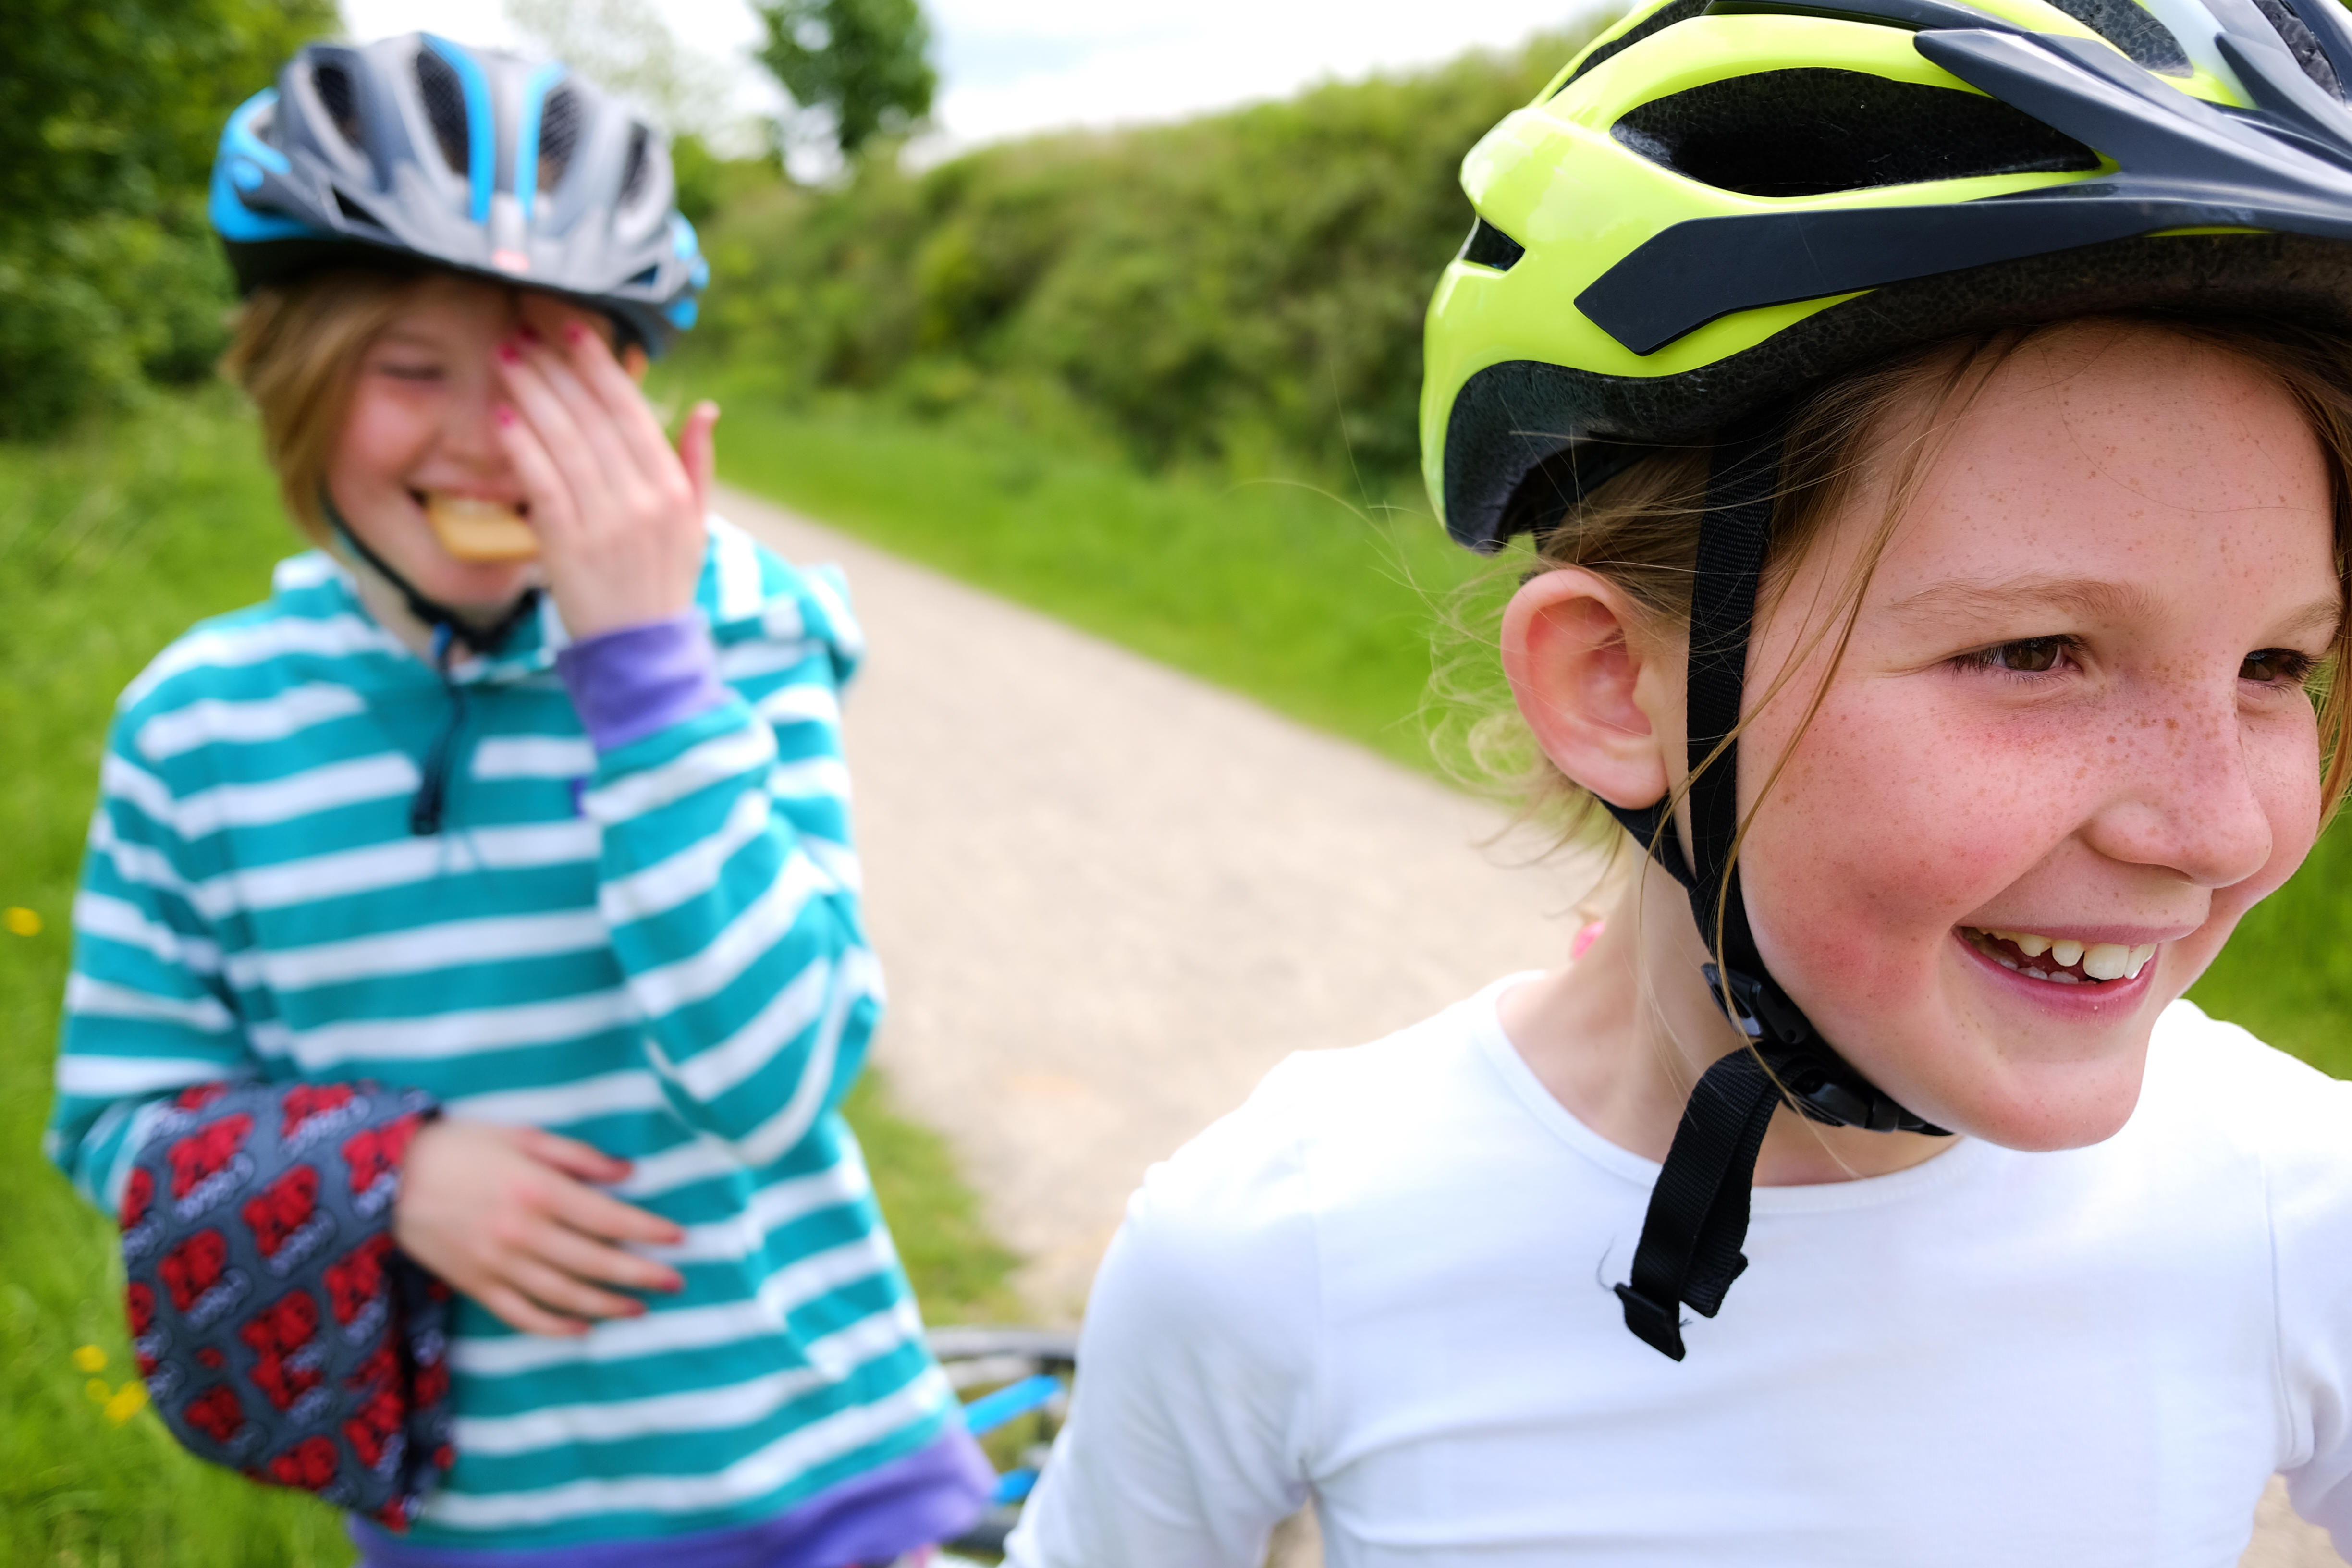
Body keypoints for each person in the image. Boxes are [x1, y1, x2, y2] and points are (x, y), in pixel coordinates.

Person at [1007, 0, 2352, 1560]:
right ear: (1612, 686)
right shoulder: (1283, 1246)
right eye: (2036, 652)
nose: (2223, 827)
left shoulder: (2293, 1208)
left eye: (2278, 670)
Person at [45, 32, 991, 1565]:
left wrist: (642, 669)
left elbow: (775, 1077)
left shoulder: (734, 631)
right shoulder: (200, 726)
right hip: (470, 1527)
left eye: (548, 376)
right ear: (293, 381)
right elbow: (117, 1118)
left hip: (821, 1491)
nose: (486, 437)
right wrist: (380, 1171)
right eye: (410, 369)